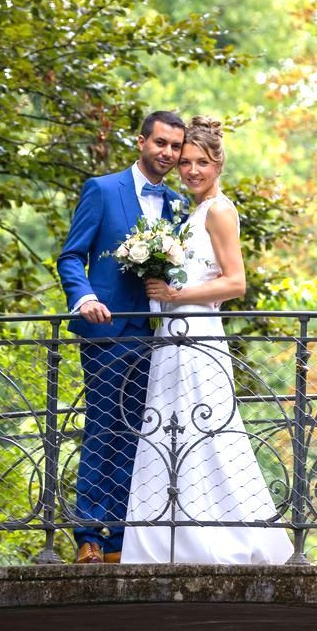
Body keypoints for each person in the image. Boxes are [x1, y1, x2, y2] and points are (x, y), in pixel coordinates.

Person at [122, 117, 294, 566]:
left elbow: (235, 283)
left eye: (202, 162)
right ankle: (168, 537)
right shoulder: (190, 213)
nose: (192, 170)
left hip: (198, 332)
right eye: (186, 162)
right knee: (172, 427)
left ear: (218, 164)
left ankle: (214, 538)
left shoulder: (219, 211)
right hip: (173, 335)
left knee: (206, 429)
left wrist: (177, 295)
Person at [57, 110, 189, 563]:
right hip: (107, 329)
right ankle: (88, 537)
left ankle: (119, 539)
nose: (168, 154)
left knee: (139, 432)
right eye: (161, 144)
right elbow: (71, 257)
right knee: (102, 427)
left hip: (157, 334)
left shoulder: (176, 203)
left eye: (175, 147)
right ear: (141, 142)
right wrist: (85, 298)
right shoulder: (102, 189)